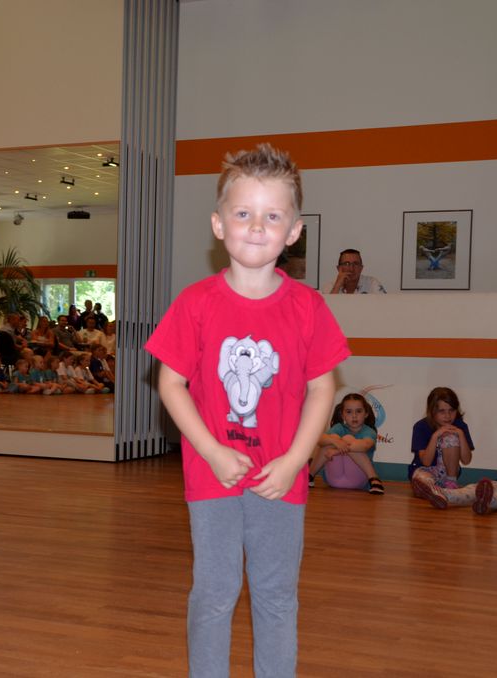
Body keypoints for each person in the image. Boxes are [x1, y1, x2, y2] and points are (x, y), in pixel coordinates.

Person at [145, 143, 349, 677]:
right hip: (211, 477)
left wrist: (295, 461)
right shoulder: (194, 303)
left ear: (294, 231)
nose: (257, 227)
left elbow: (323, 390)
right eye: (243, 213)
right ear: (219, 225)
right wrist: (212, 451)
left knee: (276, 596)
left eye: (272, 216)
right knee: (214, 592)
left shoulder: (309, 307)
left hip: (280, 480)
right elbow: (170, 384)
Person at [308, 393, 384, 494]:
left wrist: (336, 451)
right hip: (333, 480)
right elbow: (319, 440)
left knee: (347, 438)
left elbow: (365, 445)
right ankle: (309, 476)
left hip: (358, 480)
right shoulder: (339, 427)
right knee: (331, 438)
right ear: (342, 415)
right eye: (349, 412)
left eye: (359, 411)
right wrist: (335, 441)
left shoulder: (369, 431)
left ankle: (373, 478)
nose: (354, 416)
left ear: (366, 413)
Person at [408, 386, 474, 493]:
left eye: (451, 410)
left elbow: (466, 460)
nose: (448, 416)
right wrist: (435, 436)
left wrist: (461, 435)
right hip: (424, 471)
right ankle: (436, 492)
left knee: (451, 437)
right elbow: (426, 462)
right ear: (432, 411)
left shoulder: (460, 426)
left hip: (449, 474)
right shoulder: (421, 427)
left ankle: (450, 485)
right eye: (441, 411)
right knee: (422, 481)